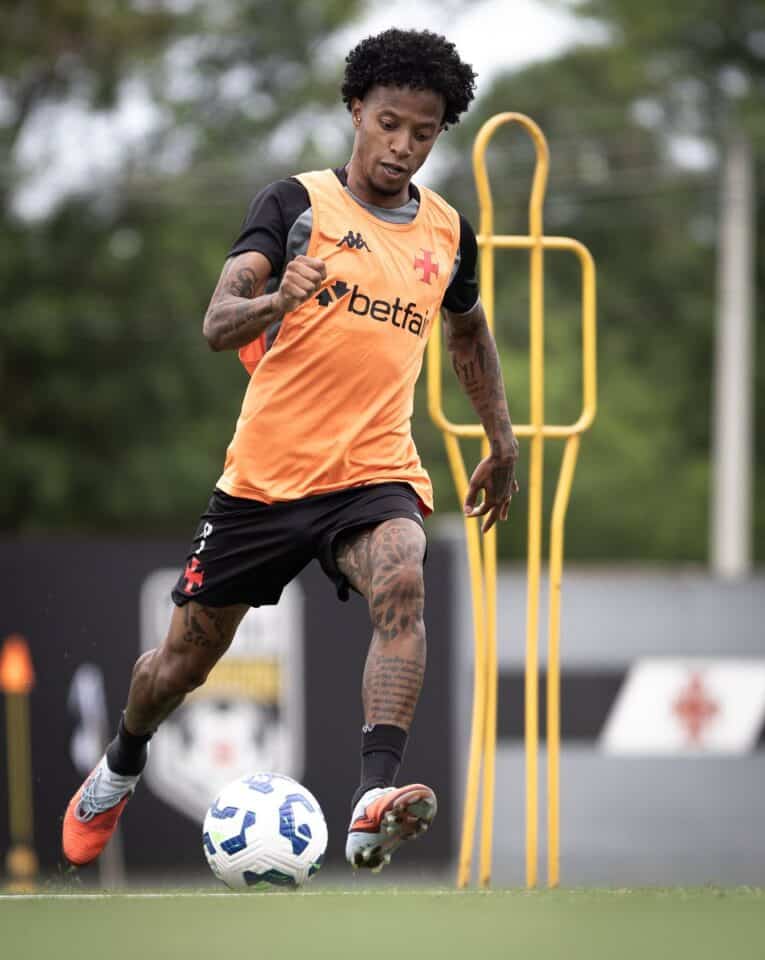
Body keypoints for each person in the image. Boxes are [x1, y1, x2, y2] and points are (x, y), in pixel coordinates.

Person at [62, 27, 518, 874]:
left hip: (374, 474)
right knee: (178, 667)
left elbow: (469, 332)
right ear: (356, 110)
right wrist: (278, 296)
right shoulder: (296, 205)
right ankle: (122, 763)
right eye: (389, 123)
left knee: (403, 569)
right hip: (264, 485)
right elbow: (215, 324)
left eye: (423, 132)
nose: (403, 146)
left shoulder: (449, 231)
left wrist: (502, 436)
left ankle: (371, 798)